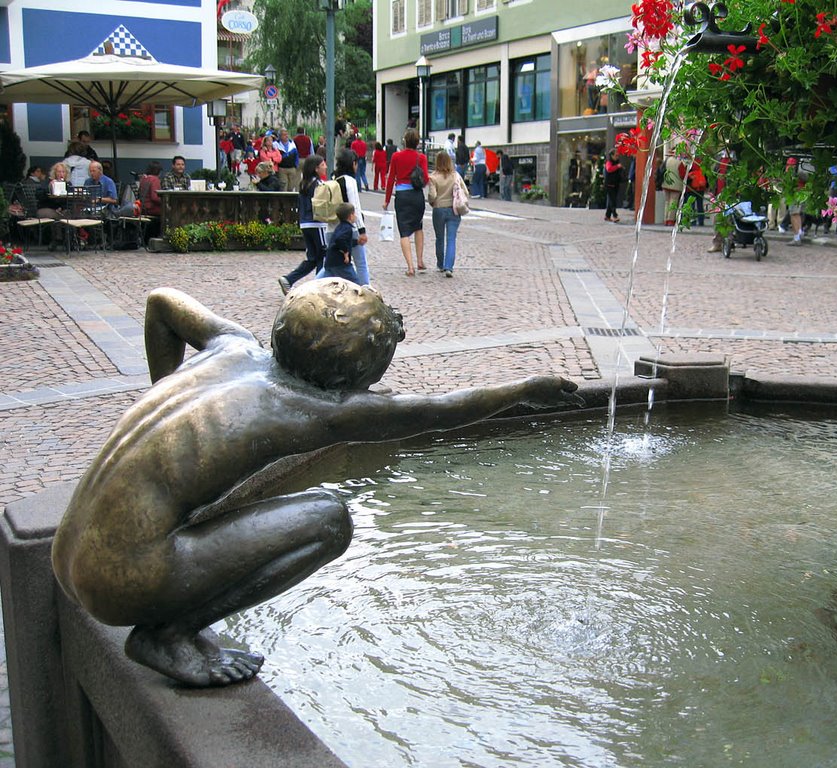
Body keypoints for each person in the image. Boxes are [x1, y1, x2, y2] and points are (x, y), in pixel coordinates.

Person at [51, 279, 582, 687]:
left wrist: (163, 388)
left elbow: (162, 301)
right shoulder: (316, 409)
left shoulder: (232, 345)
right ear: (352, 376)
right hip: (121, 583)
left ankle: (166, 600)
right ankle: (167, 636)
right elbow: (436, 412)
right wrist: (526, 388)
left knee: (191, 510)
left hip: (67, 551)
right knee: (329, 519)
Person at [278, 155, 329, 295]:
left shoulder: (303, 183)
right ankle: (319, 287)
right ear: (316, 168)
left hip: (305, 223)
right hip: (317, 224)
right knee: (323, 256)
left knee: (312, 258)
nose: (325, 167)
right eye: (323, 164)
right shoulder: (318, 185)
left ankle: (288, 279)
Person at [383, 128, 429, 277]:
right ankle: (420, 260)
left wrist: (387, 200)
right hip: (417, 195)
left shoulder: (396, 156)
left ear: (405, 141)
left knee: (404, 232)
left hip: (402, 196)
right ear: (417, 142)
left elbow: (390, 179)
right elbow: (426, 179)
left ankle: (410, 267)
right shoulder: (421, 158)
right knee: (418, 227)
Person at [331, 149, 372, 286]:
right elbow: (355, 207)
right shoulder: (350, 181)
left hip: (334, 226)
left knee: (332, 264)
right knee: (361, 263)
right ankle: (366, 290)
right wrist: (362, 230)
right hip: (350, 227)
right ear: (353, 163)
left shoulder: (334, 178)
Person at [427, 150, 470, 278]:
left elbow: (432, 195)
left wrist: (431, 201)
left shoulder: (433, 177)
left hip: (439, 209)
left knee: (439, 238)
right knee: (451, 239)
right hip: (454, 209)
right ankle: (449, 267)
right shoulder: (456, 175)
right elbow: (465, 192)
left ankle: (440, 264)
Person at [318, 202, 359, 282]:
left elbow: (345, 241)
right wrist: (346, 252)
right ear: (350, 216)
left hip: (330, 261)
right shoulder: (347, 228)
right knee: (355, 283)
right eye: (354, 214)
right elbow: (340, 239)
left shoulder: (340, 227)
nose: (355, 216)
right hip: (340, 263)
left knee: (324, 283)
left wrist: (356, 242)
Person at [661, 149, 685, 226]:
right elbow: (682, 175)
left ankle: (665, 218)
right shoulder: (680, 163)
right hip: (676, 185)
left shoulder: (667, 160)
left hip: (666, 183)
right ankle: (670, 219)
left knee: (667, 202)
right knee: (673, 202)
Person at [683, 157, 707, 227]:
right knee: (700, 206)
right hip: (701, 188)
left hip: (691, 188)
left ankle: (693, 221)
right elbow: (705, 177)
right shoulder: (702, 165)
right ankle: (701, 221)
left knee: (692, 205)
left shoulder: (690, 164)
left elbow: (686, 176)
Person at [603, 149, 624, 223]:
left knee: (611, 200)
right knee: (612, 201)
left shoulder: (617, 162)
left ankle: (607, 216)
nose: (617, 157)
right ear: (611, 155)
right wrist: (617, 167)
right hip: (609, 184)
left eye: (618, 155)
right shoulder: (609, 162)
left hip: (615, 184)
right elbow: (609, 169)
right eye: (616, 155)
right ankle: (615, 215)